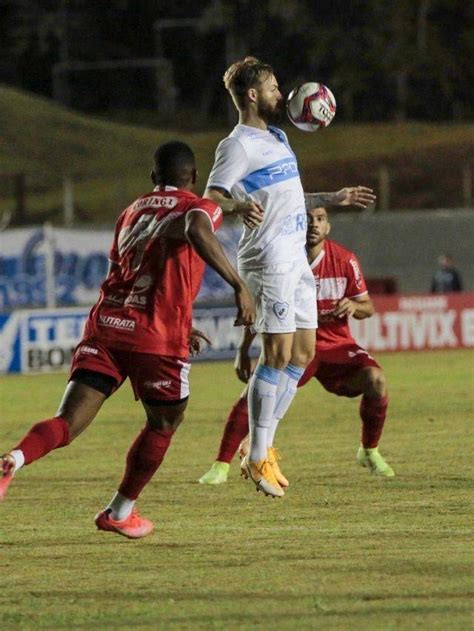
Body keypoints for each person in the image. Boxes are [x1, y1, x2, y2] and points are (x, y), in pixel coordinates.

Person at [0, 141, 255, 538]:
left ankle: (14, 458)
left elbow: (131, 270)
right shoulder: (197, 206)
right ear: (194, 177)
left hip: (107, 327)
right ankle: (120, 511)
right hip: (154, 338)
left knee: (67, 422)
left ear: (154, 177)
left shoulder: (131, 211)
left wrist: (179, 318)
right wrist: (239, 284)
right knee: (165, 421)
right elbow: (195, 228)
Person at [204, 56, 376, 497]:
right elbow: (210, 199)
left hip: (294, 258)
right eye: (274, 88)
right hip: (268, 259)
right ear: (251, 96)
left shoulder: (278, 137)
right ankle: (257, 452)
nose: (282, 94)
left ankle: (264, 447)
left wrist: (332, 198)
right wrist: (239, 206)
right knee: (277, 354)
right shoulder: (238, 145)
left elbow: (291, 197)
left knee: (302, 354)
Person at [199, 205, 394, 487]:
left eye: (321, 219)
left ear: (328, 227)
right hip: (294, 345)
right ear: (297, 225)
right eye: (308, 219)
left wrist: (353, 304)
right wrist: (243, 350)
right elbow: (261, 310)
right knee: (254, 392)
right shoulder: (284, 261)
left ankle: (369, 451)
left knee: (376, 379)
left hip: (336, 345)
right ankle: (220, 465)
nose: (314, 225)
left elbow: (368, 308)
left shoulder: (345, 260)